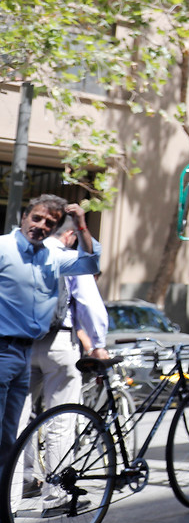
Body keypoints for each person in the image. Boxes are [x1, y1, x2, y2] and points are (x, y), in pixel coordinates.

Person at [0, 196, 99, 470]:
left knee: (10, 439)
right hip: (3, 350)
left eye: (49, 223)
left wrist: (81, 225)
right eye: (36, 218)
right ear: (24, 217)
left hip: (26, 352)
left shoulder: (52, 256)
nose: (41, 226)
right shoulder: (3, 248)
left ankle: (7, 510)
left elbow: (91, 264)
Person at [20, 215, 110, 503]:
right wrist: (98, 344)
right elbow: (89, 304)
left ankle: (22, 482)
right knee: (61, 418)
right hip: (59, 344)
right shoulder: (68, 258)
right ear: (70, 234)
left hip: (20, 344)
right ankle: (55, 493)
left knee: (18, 420)